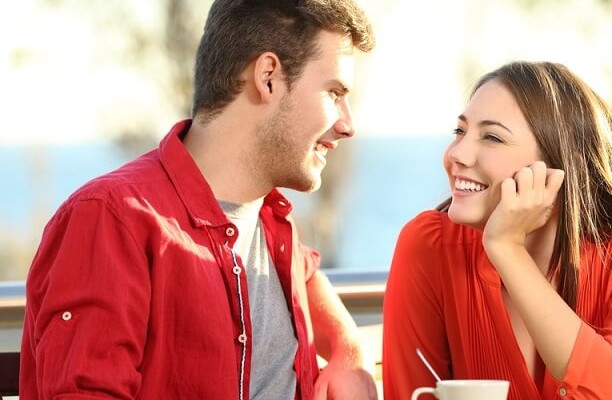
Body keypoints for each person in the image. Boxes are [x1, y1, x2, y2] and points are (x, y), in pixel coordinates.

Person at [20, 1, 377, 399]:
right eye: (334, 92)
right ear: (269, 77)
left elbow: (308, 276)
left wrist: (349, 348)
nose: (348, 125)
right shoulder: (111, 219)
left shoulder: (272, 227)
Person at [382, 61, 612, 400]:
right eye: (460, 132)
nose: (457, 154)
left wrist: (507, 250)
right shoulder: (429, 245)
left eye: (492, 137)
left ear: (559, 164)